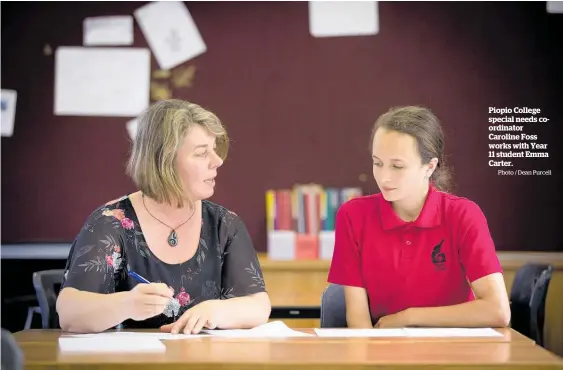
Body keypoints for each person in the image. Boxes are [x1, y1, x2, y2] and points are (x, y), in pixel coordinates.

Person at [56, 99, 271, 334]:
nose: (217, 161)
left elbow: (259, 306)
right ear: (164, 161)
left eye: (214, 150)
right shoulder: (110, 222)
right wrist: (127, 305)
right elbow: (69, 313)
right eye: (201, 153)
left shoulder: (224, 225)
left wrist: (215, 310)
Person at [327, 106, 511, 329]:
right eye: (377, 163)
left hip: (455, 354)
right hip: (384, 353)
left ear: (429, 167)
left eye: (397, 166)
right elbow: (359, 323)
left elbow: (498, 311)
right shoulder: (352, 216)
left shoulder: (463, 215)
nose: (384, 177)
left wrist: (409, 317)